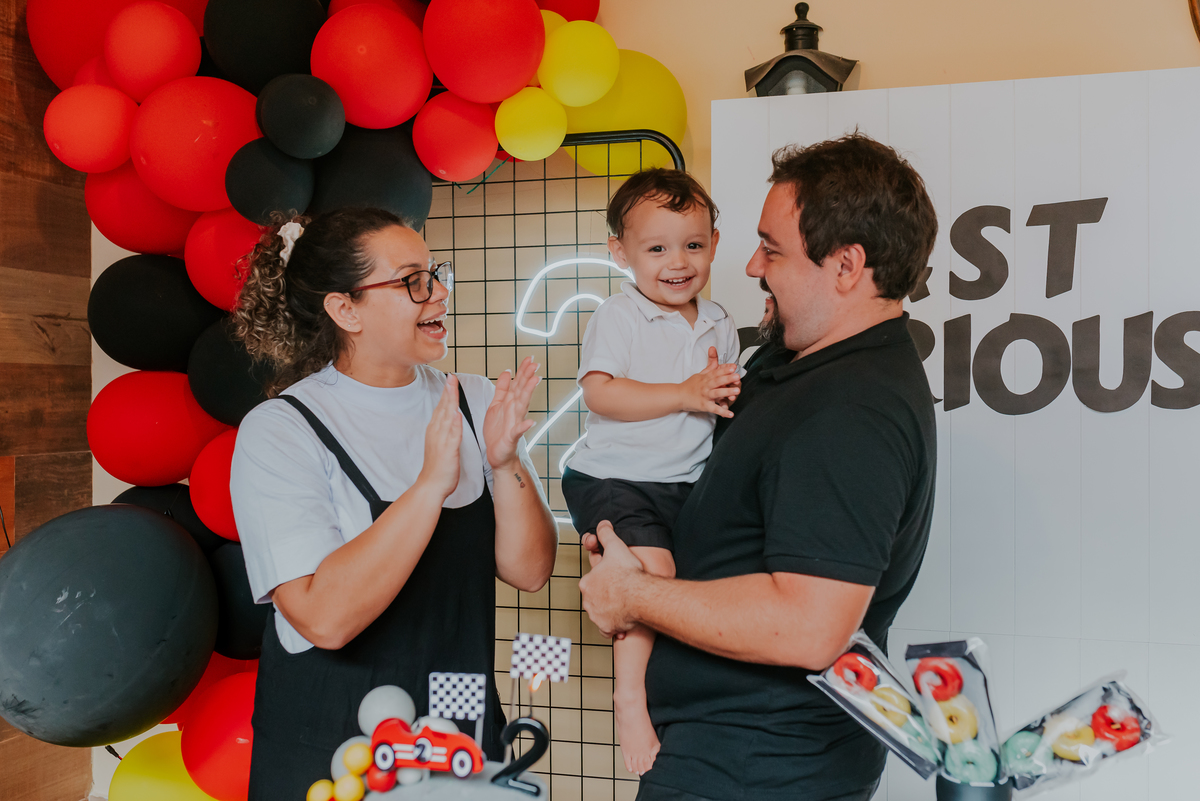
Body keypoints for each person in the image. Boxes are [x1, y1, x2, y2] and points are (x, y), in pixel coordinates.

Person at [578, 133, 940, 801]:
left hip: (757, 767)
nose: (748, 266)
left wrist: (630, 593)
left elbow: (808, 624)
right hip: (724, 752)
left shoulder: (852, 408)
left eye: (771, 249)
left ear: (846, 265)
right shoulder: (798, 363)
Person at [228, 207, 558, 801]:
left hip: (458, 739)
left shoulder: (473, 399)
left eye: (436, 274)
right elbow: (321, 618)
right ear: (345, 309)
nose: (439, 294)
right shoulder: (282, 430)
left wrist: (505, 460)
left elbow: (530, 570)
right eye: (413, 281)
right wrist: (431, 484)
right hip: (334, 751)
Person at [560, 169, 742, 775]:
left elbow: (718, 408)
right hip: (616, 476)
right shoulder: (620, 315)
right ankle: (629, 698)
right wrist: (687, 393)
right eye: (656, 248)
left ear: (715, 242)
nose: (678, 262)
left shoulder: (719, 320)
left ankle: (680, 696)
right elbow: (602, 396)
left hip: (685, 482)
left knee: (698, 585)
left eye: (693, 245)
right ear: (621, 252)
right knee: (652, 573)